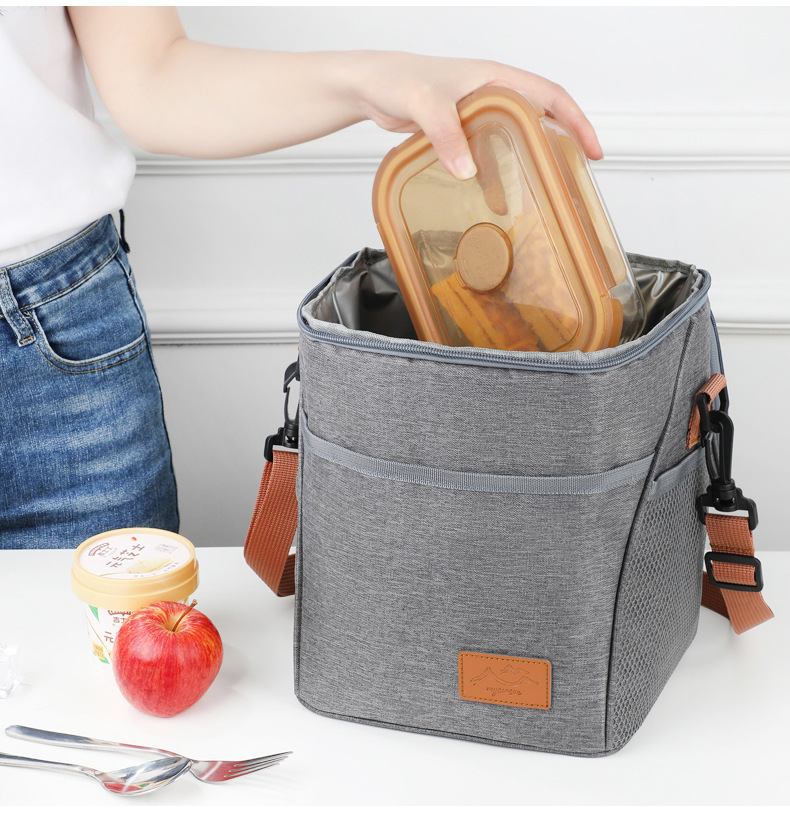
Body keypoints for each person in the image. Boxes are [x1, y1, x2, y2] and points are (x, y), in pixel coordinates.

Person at [0, 6, 603, 549]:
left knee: (106, 635)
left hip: (59, 328)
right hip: (59, 320)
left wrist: (372, 80)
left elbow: (152, 74)